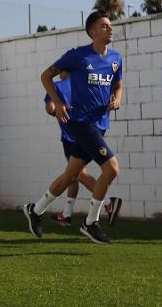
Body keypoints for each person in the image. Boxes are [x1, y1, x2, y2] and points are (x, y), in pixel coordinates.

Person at [24, 11, 123, 245]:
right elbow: (46, 76)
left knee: (72, 175)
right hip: (82, 123)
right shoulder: (78, 56)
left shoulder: (116, 58)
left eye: (110, 25)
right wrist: (57, 103)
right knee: (112, 169)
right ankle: (91, 222)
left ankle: (35, 210)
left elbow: (118, 85)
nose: (110, 29)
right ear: (92, 32)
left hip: (101, 126)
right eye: (104, 26)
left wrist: (117, 99)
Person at [44, 72, 123, 228]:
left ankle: (108, 202)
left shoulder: (57, 87)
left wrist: (57, 109)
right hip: (88, 133)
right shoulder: (86, 86)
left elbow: (50, 107)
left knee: (76, 174)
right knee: (74, 175)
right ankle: (66, 214)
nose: (59, 74)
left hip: (71, 136)